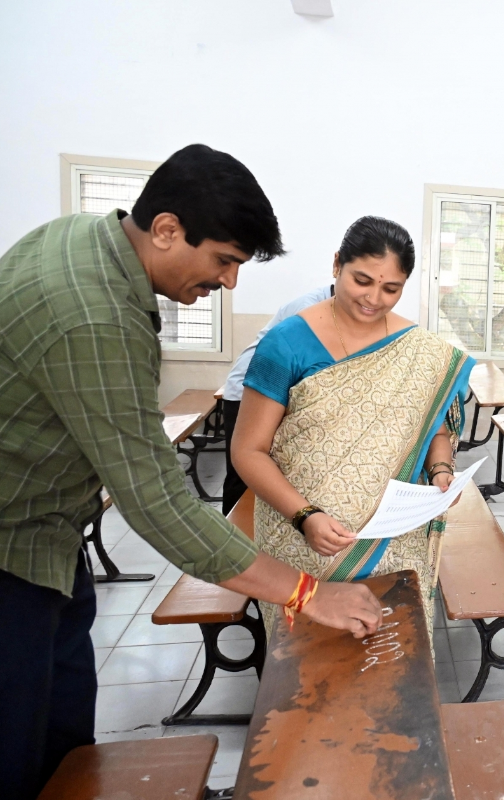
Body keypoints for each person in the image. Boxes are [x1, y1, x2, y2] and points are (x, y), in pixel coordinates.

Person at [0, 144, 384, 800]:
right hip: (12, 552)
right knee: (17, 754)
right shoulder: (92, 317)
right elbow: (155, 502)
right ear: (167, 230)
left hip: (51, 542)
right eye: (225, 261)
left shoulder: (81, 237)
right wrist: (308, 594)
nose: (230, 283)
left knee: (63, 741)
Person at [231, 216, 474, 637]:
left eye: (391, 288)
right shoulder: (287, 342)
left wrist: (440, 471)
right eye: (362, 280)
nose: (374, 298)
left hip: (395, 541)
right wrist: (305, 515)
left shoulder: (420, 349)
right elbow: (248, 450)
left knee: (395, 666)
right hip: (302, 540)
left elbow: (433, 427)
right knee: (307, 676)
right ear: (336, 264)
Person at [220, 284, 334, 514]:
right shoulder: (309, 309)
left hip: (277, 391)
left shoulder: (334, 308)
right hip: (247, 391)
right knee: (242, 472)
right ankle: (231, 538)